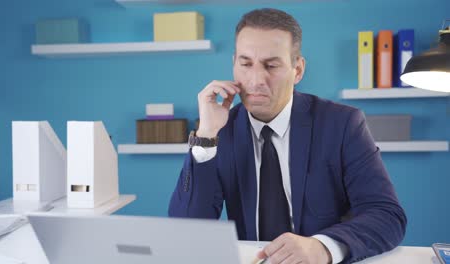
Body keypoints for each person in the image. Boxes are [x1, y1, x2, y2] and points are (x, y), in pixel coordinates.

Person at [169, 8, 407, 264]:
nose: (257, 79)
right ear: (234, 64)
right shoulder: (220, 130)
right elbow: (186, 232)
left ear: (298, 69)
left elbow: (386, 215)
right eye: (246, 64)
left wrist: (322, 247)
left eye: (271, 65)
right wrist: (206, 137)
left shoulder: (342, 124)